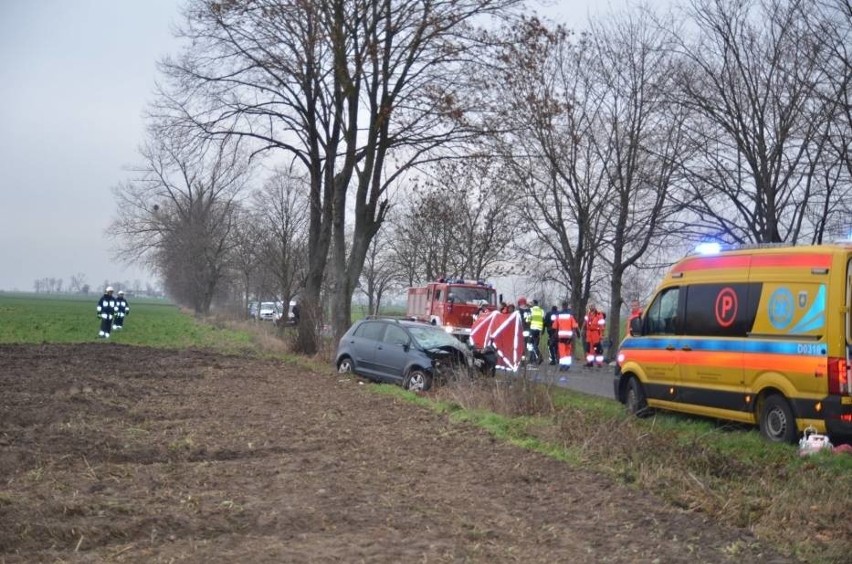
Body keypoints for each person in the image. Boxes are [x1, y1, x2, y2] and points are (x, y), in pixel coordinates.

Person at [553, 301, 579, 371]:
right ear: (567, 306)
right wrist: (574, 333)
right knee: (568, 350)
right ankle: (567, 365)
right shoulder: (570, 315)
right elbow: (574, 326)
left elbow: (555, 326)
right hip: (569, 336)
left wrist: (555, 333)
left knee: (562, 351)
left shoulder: (559, 315)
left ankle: (563, 365)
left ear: (562, 306)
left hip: (561, 336)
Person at [529, 299, 545, 365]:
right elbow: (543, 319)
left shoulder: (531, 310)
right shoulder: (541, 311)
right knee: (535, 344)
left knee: (531, 344)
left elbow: (528, 319)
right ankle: (535, 358)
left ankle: (537, 357)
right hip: (538, 330)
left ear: (534, 303)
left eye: (532, 303)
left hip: (532, 329)